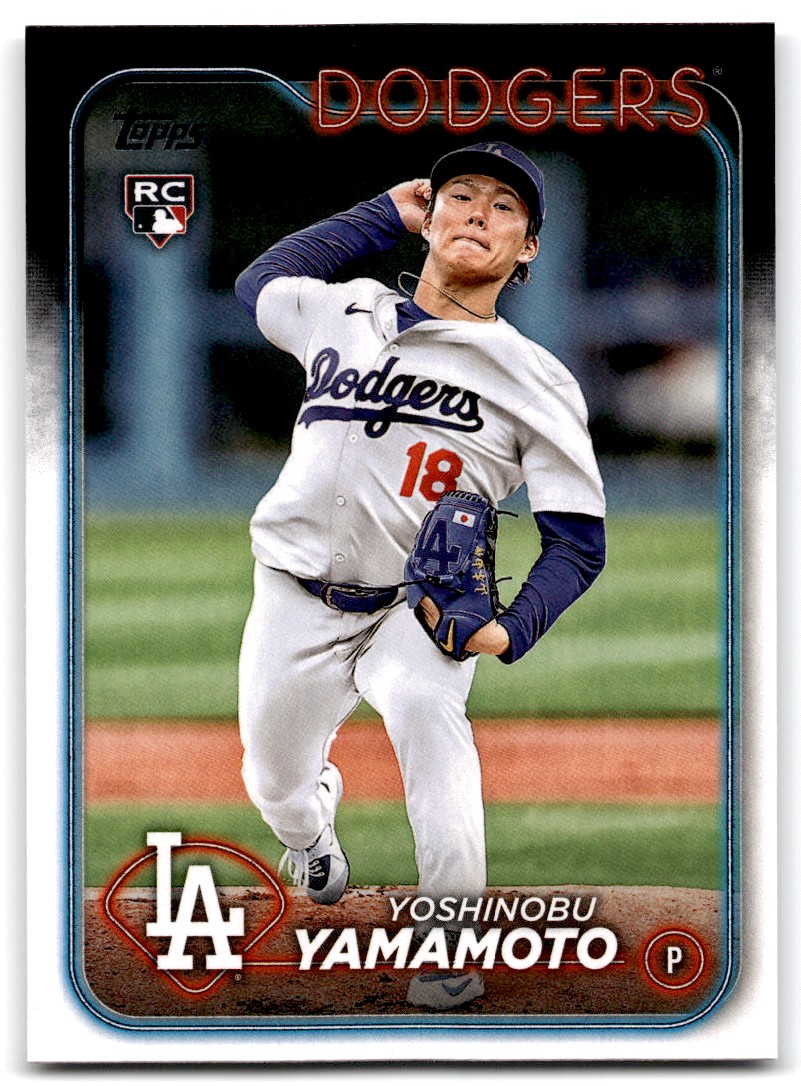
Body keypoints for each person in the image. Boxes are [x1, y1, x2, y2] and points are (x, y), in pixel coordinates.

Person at [234, 141, 606, 1010]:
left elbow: (577, 542)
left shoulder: (535, 379)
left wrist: (511, 627)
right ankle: (310, 832)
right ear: (429, 218)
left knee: (423, 711)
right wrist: (375, 216)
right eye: (460, 195)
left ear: (527, 250)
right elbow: (260, 283)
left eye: (504, 207)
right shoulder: (346, 309)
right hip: (292, 591)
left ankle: (450, 948)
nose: (477, 212)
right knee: (273, 781)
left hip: (419, 602)